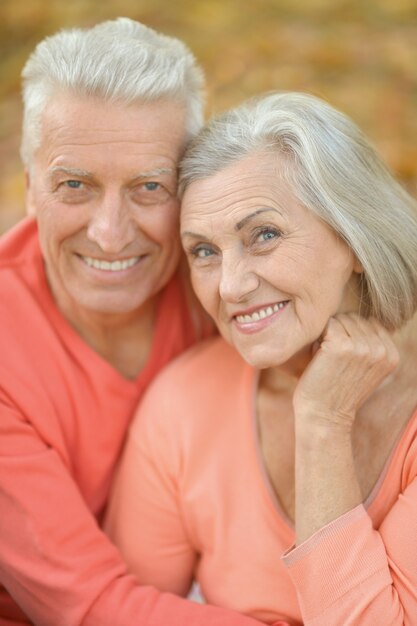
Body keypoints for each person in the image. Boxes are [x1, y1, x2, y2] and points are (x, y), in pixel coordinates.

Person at [0, 16, 276, 626]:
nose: (110, 232)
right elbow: (90, 606)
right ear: (30, 190)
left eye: (149, 187)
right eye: (74, 185)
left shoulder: (224, 286)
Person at [105, 92, 417, 626]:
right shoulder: (185, 402)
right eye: (204, 250)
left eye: (264, 236)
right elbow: (122, 612)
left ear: (354, 239)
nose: (230, 286)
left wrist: (323, 422)